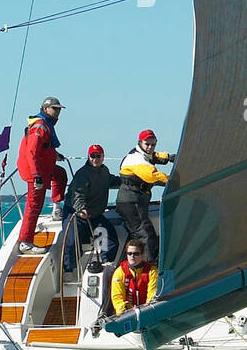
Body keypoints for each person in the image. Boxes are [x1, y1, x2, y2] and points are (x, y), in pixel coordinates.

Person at [16, 96, 67, 253]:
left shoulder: (45, 125)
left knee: (60, 174)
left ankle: (57, 209)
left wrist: (55, 155)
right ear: (45, 109)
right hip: (35, 171)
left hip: (45, 167)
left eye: (59, 109)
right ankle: (25, 241)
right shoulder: (40, 126)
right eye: (55, 109)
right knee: (34, 205)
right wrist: (36, 175)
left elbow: (44, 146)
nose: (57, 112)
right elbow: (32, 152)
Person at [116, 128, 175, 264]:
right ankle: (150, 268)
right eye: (146, 144)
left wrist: (170, 157)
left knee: (140, 233)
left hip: (134, 202)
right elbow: (153, 176)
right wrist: (175, 181)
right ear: (140, 143)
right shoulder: (137, 160)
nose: (150, 147)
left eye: (153, 144)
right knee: (146, 234)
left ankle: (141, 265)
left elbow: (155, 156)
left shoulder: (142, 154)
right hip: (131, 203)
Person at [62, 144, 122, 274]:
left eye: (98, 156)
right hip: (76, 214)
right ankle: (68, 271)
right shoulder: (82, 174)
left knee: (111, 240)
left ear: (103, 157)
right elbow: (78, 194)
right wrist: (81, 209)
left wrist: (129, 181)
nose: (95, 159)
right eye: (92, 156)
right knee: (71, 242)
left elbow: (112, 181)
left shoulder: (104, 171)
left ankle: (106, 264)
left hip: (95, 216)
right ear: (89, 157)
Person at [110, 238, 159, 315]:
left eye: (136, 254)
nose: (132, 256)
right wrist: (125, 311)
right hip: (127, 313)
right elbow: (117, 298)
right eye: (129, 253)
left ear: (142, 255)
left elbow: (152, 295)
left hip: (147, 312)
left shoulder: (152, 271)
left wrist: (146, 310)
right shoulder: (119, 272)